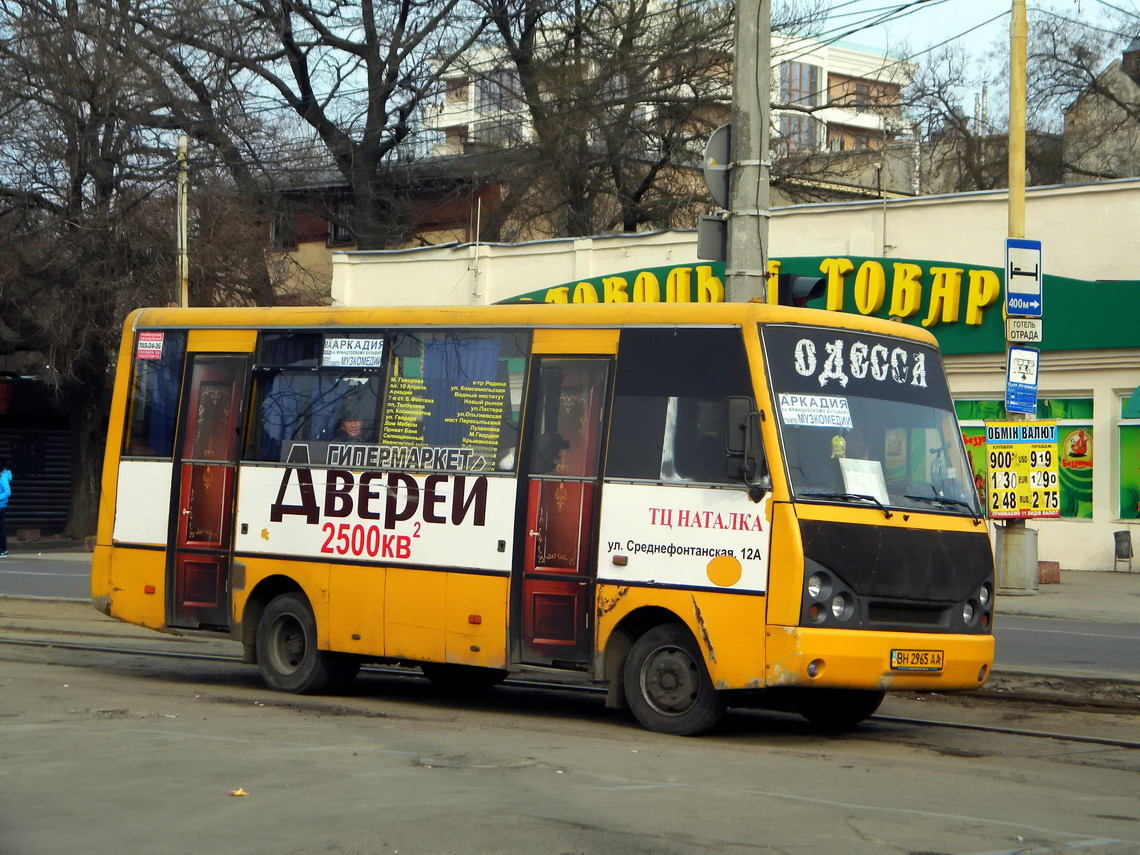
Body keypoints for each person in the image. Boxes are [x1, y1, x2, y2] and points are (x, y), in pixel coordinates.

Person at [0, 458, 11, 558]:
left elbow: (7, 492)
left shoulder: (3, 477)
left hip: (0, 506)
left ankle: (3, 550)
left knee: (0, 528)